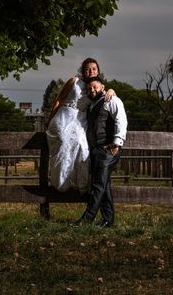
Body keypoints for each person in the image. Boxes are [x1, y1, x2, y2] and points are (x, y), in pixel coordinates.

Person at [45, 58, 115, 192]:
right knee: (64, 142)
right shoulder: (74, 81)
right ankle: (61, 184)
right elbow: (59, 99)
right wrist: (50, 119)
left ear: (98, 71)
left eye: (94, 69)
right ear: (83, 71)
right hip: (65, 116)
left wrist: (111, 90)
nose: (91, 71)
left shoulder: (98, 86)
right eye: (88, 69)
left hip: (81, 120)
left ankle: (80, 184)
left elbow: (109, 96)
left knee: (83, 148)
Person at [74, 76, 128, 228]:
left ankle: (86, 220)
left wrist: (117, 143)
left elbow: (121, 121)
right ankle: (108, 220)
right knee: (104, 185)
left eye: (95, 87)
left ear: (102, 87)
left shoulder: (111, 100)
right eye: (89, 88)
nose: (92, 90)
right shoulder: (92, 104)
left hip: (108, 149)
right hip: (97, 150)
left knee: (97, 185)